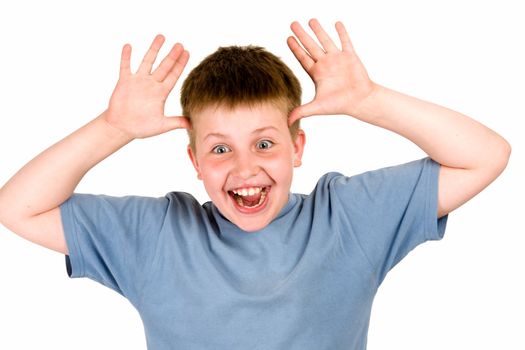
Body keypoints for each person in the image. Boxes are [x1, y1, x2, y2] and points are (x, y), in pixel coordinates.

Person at [0, 19, 510, 349]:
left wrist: (369, 100)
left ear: (298, 148)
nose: (244, 168)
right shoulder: (156, 234)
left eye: (264, 143)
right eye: (220, 149)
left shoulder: (349, 217)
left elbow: (485, 157)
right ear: (194, 161)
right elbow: (19, 208)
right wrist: (111, 129)